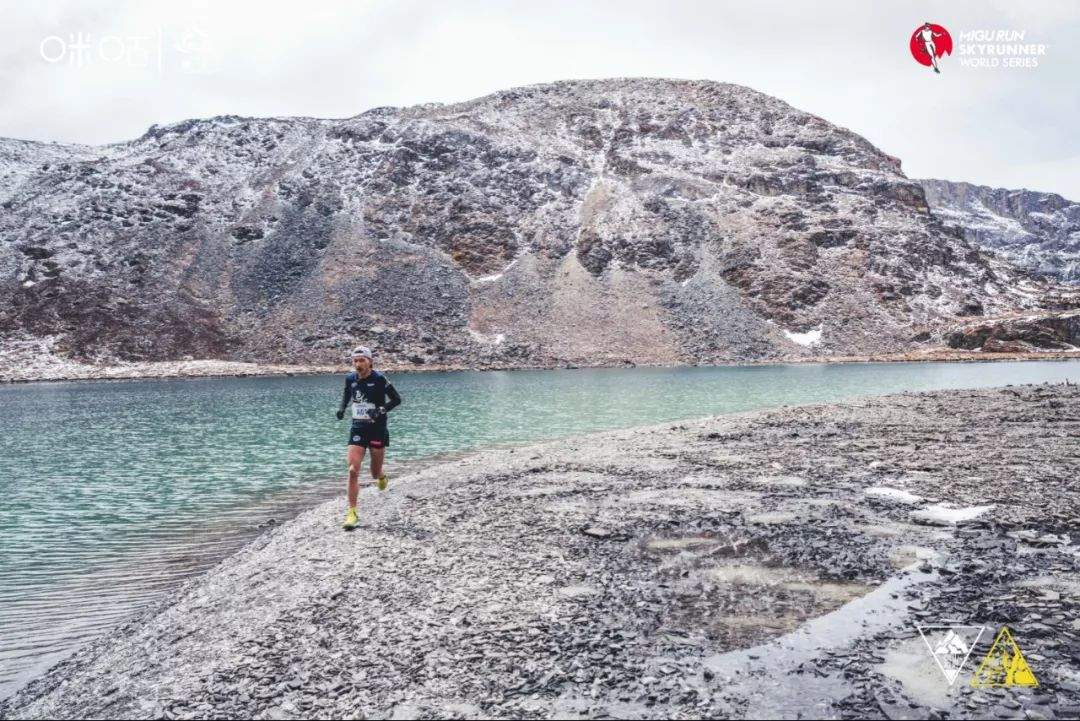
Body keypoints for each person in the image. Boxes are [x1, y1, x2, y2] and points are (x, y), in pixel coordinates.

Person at [335, 345, 401, 530]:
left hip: (377, 428)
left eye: (361, 360)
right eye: (355, 361)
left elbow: (396, 400)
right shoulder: (350, 379)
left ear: (370, 361)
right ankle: (352, 513)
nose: (358, 364)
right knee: (352, 470)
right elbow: (347, 395)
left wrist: (380, 410)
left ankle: (381, 476)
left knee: (374, 473)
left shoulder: (379, 379)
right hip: (357, 428)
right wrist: (342, 408)